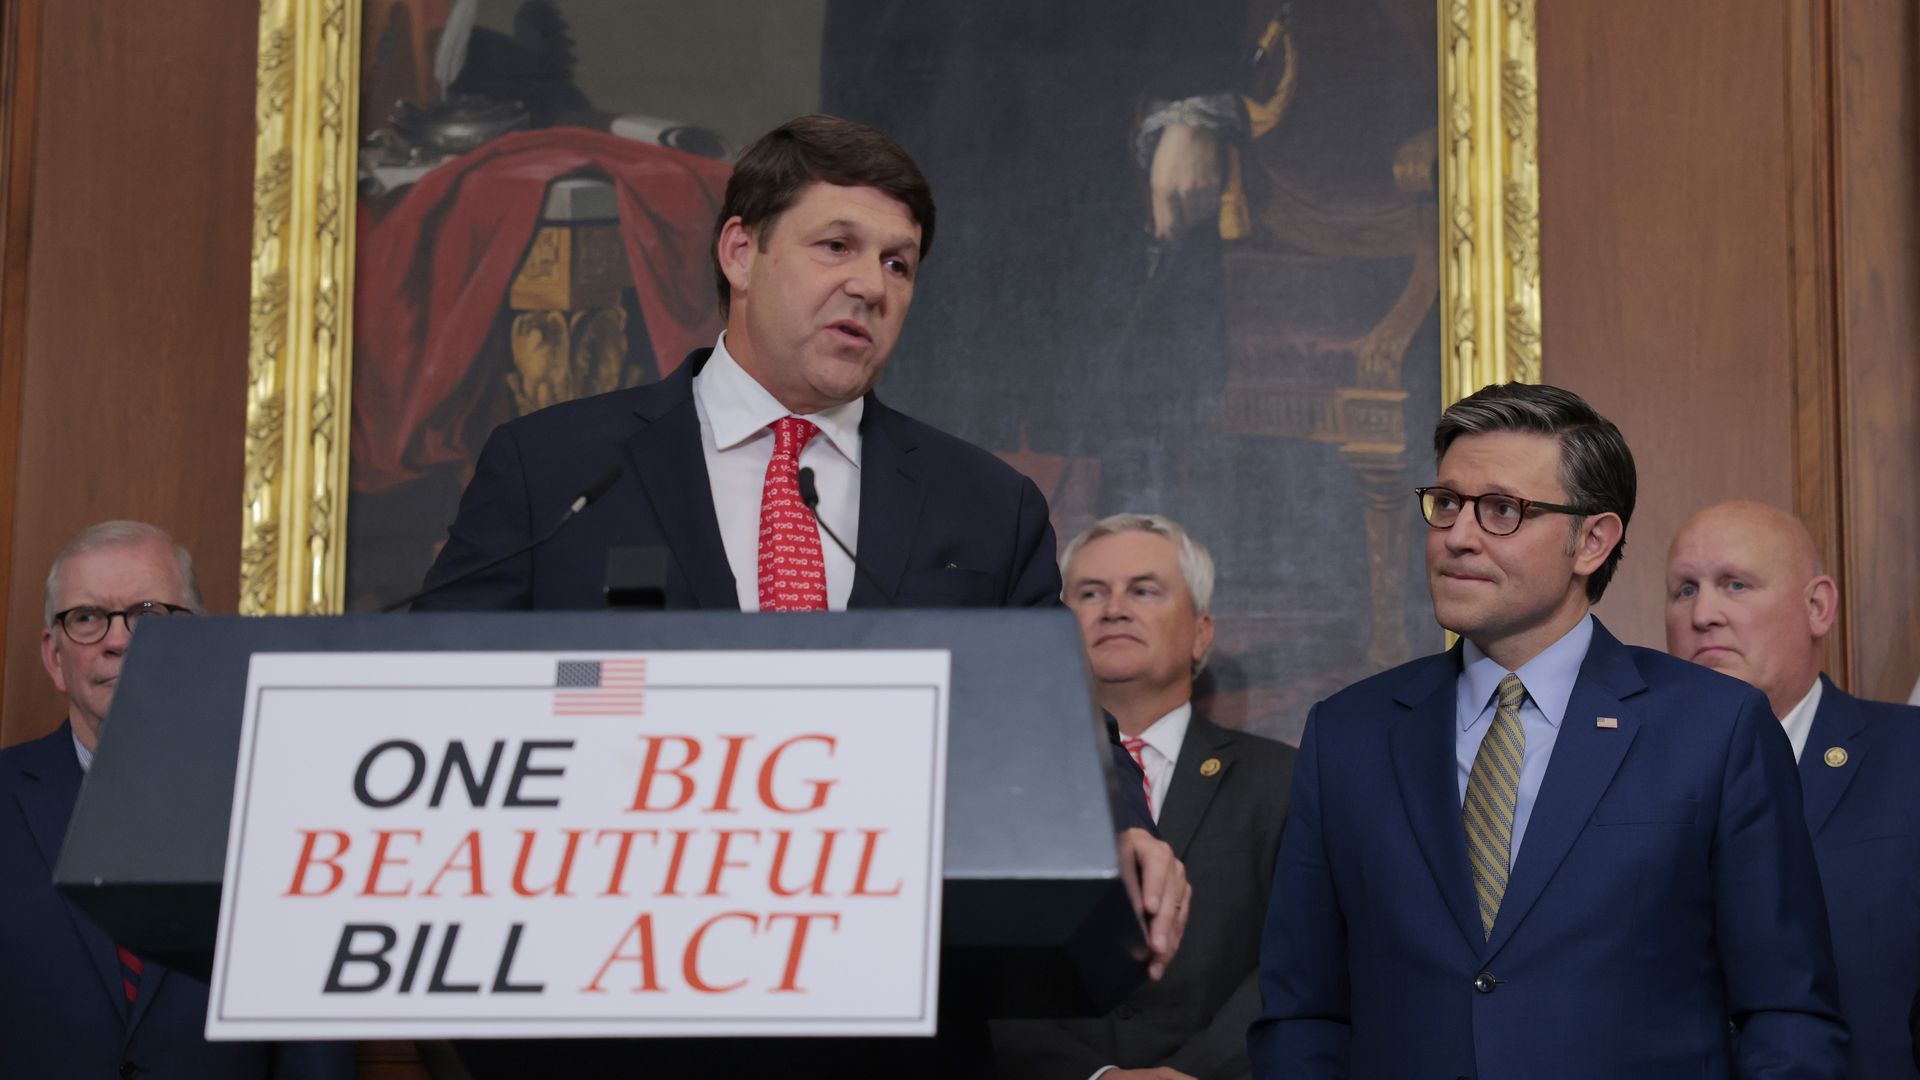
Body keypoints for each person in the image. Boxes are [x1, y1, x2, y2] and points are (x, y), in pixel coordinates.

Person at [417, 114, 1186, 1072]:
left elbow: (1056, 721)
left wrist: (1123, 827)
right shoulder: (556, 469)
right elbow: (445, 700)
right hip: (611, 1024)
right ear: (741, 251)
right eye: (837, 246)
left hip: (890, 1027)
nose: (871, 285)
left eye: (899, 264)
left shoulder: (986, 505)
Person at [1249, 383, 1848, 1078]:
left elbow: (1787, 1014)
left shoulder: (1715, 728)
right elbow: (1303, 1014)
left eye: (1502, 510)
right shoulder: (1347, 736)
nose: (1458, 536)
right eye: (1446, 503)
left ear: (1591, 541)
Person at [0, 520, 353, 1078]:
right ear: (54, 657)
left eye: (147, 613)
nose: (119, 640)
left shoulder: (280, 809)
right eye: (87, 617)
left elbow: (313, 1047)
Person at [996, 514, 1294, 1080]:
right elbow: (981, 964)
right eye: (1090, 593)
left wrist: (1193, 1072)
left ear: (1200, 632)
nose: (1114, 609)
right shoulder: (1002, 785)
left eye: (1144, 590)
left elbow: (1298, 957)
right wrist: (1095, 1077)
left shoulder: (1283, 780)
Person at [1668, 500, 1920, 1078]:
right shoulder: (1623, 776)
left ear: (1817, 607)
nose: (1703, 613)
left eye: (1735, 584)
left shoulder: (1911, 756)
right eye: (1684, 590)